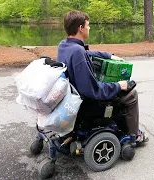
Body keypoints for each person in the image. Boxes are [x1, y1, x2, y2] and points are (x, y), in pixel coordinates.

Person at [56, 10, 148, 144]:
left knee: (117, 87)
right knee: (131, 94)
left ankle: (120, 126)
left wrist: (109, 55)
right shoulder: (78, 52)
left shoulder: (64, 45)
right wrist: (118, 86)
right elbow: (92, 91)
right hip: (85, 105)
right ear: (80, 28)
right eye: (88, 25)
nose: (89, 28)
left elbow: (89, 53)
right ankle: (134, 136)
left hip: (70, 98)